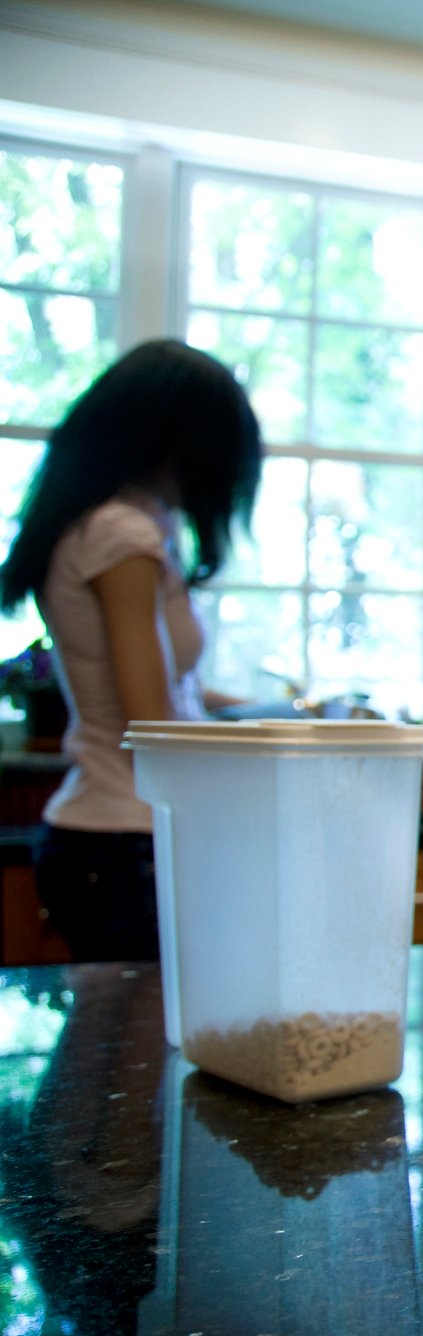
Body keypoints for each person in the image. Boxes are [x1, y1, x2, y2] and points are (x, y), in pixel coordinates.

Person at [0, 340, 261, 962]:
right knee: (141, 1053)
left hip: (113, 839)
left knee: (135, 1051)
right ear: (171, 441)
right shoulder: (121, 534)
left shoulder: (120, 524)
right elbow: (152, 721)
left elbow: (159, 687)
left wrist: (265, 710)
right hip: (123, 842)